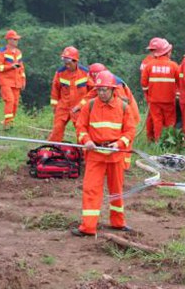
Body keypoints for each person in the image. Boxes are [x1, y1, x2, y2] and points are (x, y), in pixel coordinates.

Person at [72, 71, 137, 236]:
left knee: (116, 190)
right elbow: (81, 126)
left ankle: (118, 222)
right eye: (99, 89)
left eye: (105, 89)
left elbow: (130, 131)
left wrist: (119, 143)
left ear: (113, 90)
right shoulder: (90, 105)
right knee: (91, 190)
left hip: (115, 155)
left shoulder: (123, 107)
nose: (101, 92)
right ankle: (88, 227)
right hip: (95, 155)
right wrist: (86, 140)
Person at [75, 62, 140, 169]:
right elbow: (90, 95)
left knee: (125, 140)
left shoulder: (116, 85)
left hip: (128, 114)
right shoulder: (103, 82)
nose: (101, 92)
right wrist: (78, 106)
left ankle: (124, 166)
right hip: (118, 112)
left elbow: (120, 102)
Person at [48, 46, 89, 141]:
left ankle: (83, 152)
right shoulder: (60, 73)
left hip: (79, 108)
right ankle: (52, 150)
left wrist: (82, 105)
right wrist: (55, 106)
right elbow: (55, 89)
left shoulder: (85, 73)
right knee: (57, 129)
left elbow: (92, 92)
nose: (67, 65)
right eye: (65, 63)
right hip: (63, 106)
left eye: (69, 63)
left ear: (75, 61)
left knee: (81, 130)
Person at [141, 39, 178, 142]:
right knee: (170, 122)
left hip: (154, 100)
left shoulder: (149, 65)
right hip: (169, 100)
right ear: (166, 52)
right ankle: (170, 142)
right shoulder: (174, 66)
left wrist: (150, 94)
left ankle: (158, 142)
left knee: (157, 121)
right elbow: (179, 83)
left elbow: (144, 84)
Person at [0, 30, 26, 129]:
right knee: (10, 100)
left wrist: (23, 80)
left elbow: (21, 67)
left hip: (17, 82)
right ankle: (7, 123)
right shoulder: (2, 52)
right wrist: (10, 66)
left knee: (15, 103)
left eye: (17, 39)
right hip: (5, 81)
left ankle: (10, 122)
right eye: (15, 39)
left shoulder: (19, 52)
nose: (17, 41)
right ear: (9, 40)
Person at [140, 37, 162, 142]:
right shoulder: (151, 62)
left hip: (150, 92)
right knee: (155, 117)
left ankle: (151, 138)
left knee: (151, 116)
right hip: (153, 93)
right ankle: (154, 139)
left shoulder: (146, 61)